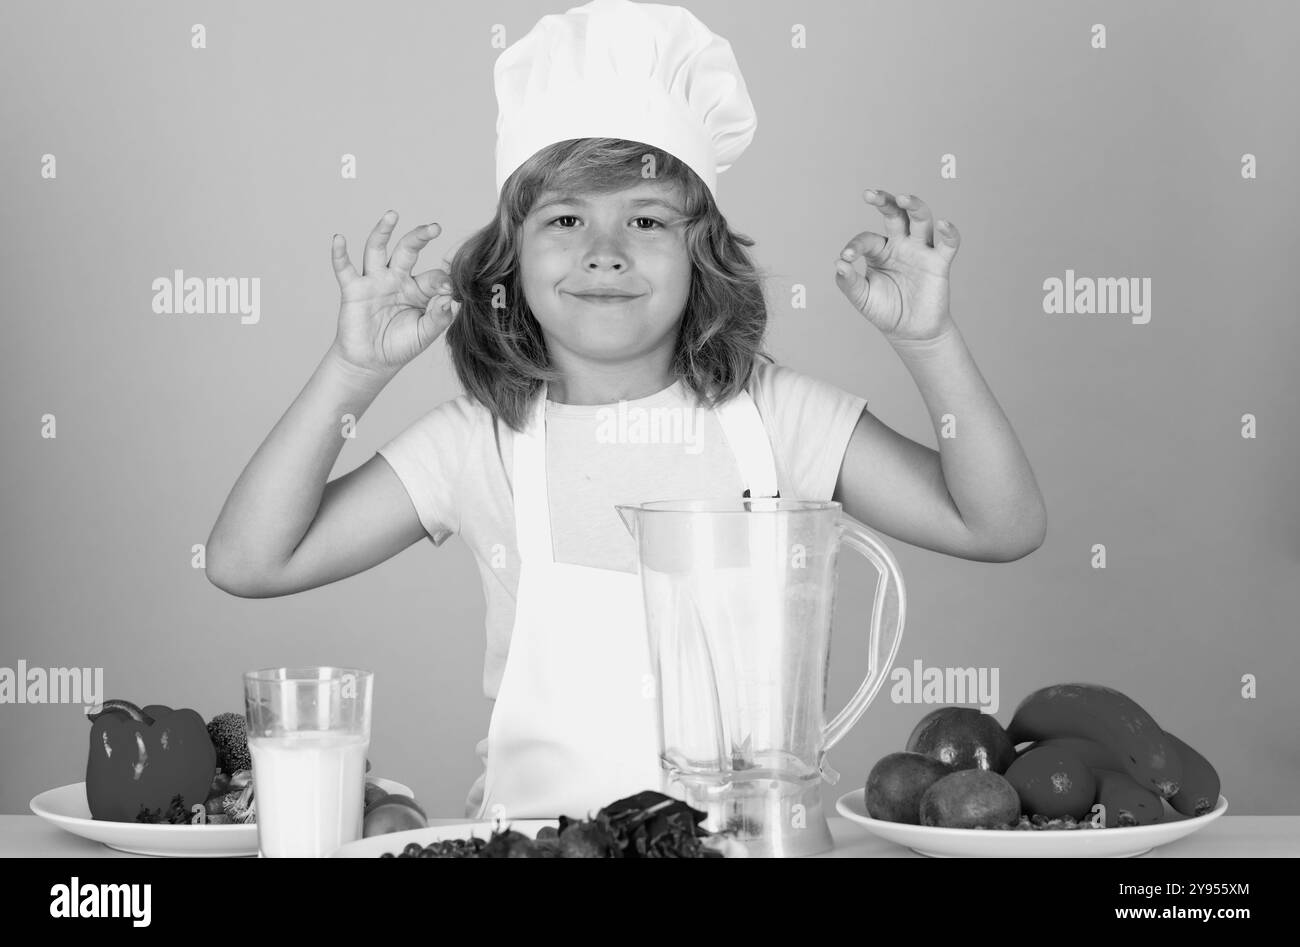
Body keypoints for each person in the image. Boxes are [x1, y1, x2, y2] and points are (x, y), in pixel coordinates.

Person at [205, 0, 1046, 821]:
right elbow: (249, 560)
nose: (603, 253)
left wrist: (929, 342)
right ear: (511, 258)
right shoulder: (475, 444)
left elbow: (998, 525)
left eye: (645, 219)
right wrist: (353, 371)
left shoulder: (778, 417)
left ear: (701, 255)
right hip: (532, 851)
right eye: (565, 218)